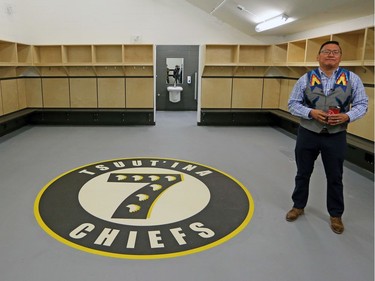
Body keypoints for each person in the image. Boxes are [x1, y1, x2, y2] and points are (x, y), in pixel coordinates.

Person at [286, 40, 368, 234]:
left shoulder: (352, 79)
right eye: (326, 51)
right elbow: (292, 104)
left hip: (336, 136)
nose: (331, 55)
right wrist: (310, 113)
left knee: (335, 176)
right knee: (302, 173)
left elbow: (362, 104)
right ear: (318, 56)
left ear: (340, 56)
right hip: (308, 133)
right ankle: (298, 206)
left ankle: (336, 215)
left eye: (335, 52)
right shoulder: (305, 78)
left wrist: (347, 116)